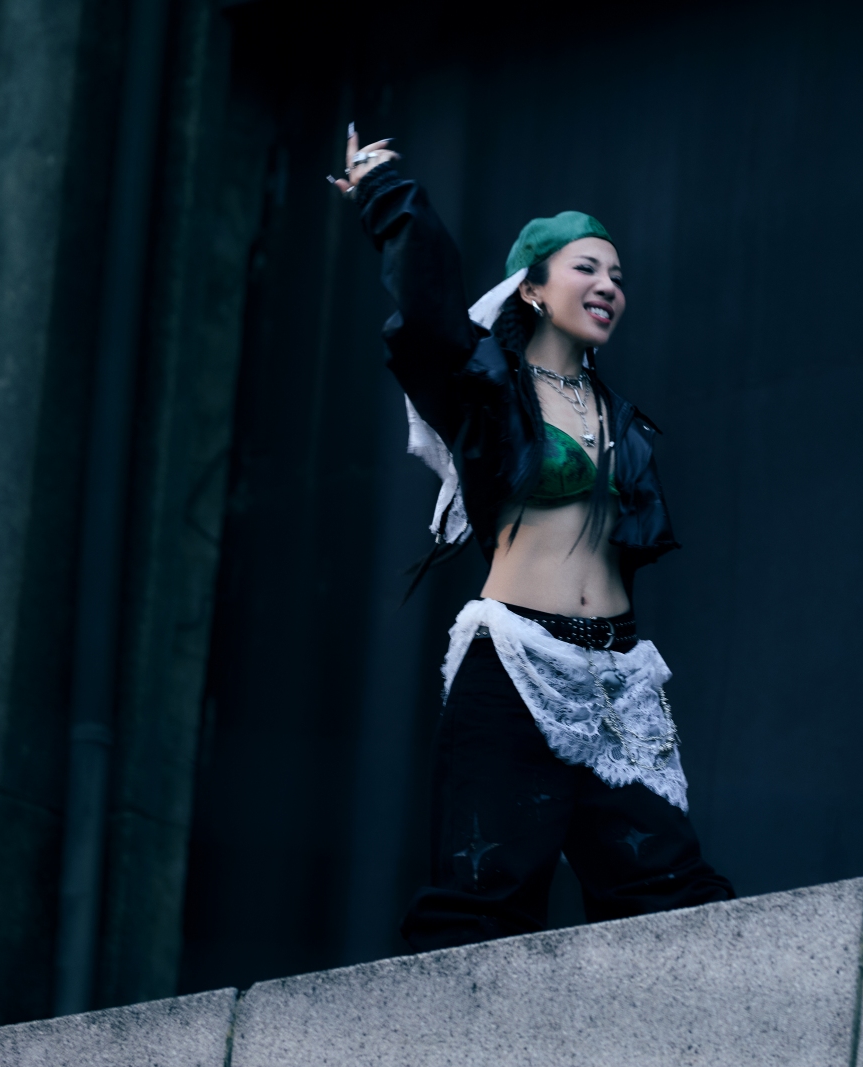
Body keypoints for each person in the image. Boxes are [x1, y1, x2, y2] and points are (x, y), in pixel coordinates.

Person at [331, 126, 734, 952]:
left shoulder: (618, 413)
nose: (609, 285)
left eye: (617, 275)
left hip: (616, 675)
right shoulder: (487, 390)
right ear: (533, 290)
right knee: (483, 899)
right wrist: (385, 189)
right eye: (587, 268)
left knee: (671, 895)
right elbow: (430, 308)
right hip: (516, 660)